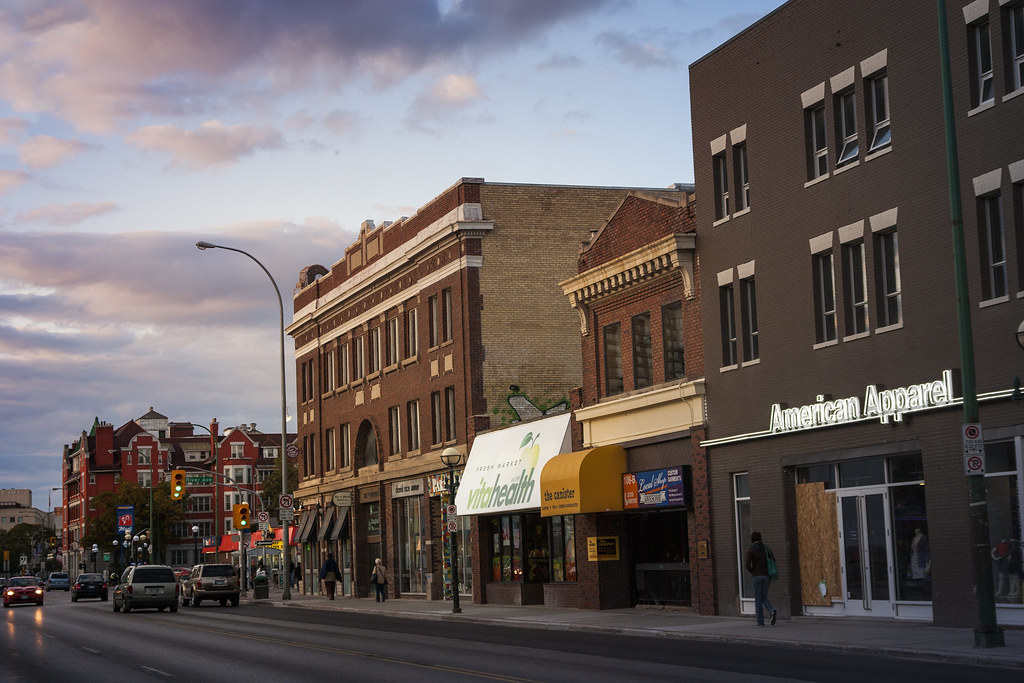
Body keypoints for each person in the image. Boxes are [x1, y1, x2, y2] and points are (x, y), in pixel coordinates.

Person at [744, 531, 777, 627]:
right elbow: (773, 560)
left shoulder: (750, 549)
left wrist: (752, 571)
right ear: (760, 538)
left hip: (756, 576)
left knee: (758, 599)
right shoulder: (766, 548)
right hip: (766, 576)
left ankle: (760, 622)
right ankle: (771, 610)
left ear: (752, 539)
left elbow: (747, 564)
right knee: (763, 597)